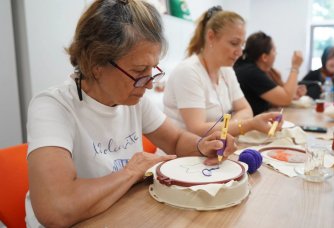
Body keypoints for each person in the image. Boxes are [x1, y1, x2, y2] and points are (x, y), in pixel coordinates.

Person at [25, 1, 237, 227]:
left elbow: (175, 140)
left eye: (152, 69)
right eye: (138, 71)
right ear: (96, 62)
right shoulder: (53, 107)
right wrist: (132, 172)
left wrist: (201, 145)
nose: (147, 85)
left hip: (120, 212)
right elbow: (57, 207)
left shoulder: (133, 100)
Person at [163, 7, 282, 137]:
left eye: (242, 44)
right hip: (182, 155)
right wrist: (245, 125)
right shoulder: (188, 72)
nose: (240, 52)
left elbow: (245, 109)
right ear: (211, 37)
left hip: (212, 148)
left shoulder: (226, 70)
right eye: (234, 43)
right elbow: (198, 129)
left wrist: (231, 125)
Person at [233, 31, 304, 115]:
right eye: (274, 50)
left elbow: (279, 98)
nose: (276, 54)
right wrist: (295, 66)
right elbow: (286, 99)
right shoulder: (251, 72)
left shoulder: (252, 69)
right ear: (264, 57)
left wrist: (292, 94)